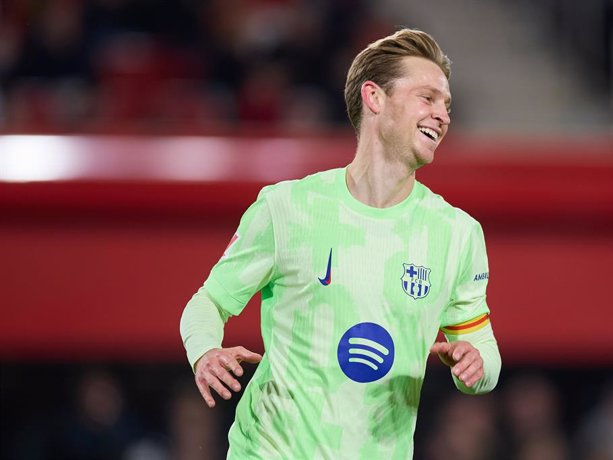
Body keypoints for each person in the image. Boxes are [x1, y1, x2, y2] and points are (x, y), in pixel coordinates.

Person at [180, 28, 501, 459]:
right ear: (375, 97)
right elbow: (207, 303)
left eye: (447, 104)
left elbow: (484, 352)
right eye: (427, 98)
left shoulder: (457, 232)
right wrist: (205, 353)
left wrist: (476, 366)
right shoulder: (286, 207)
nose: (442, 115)